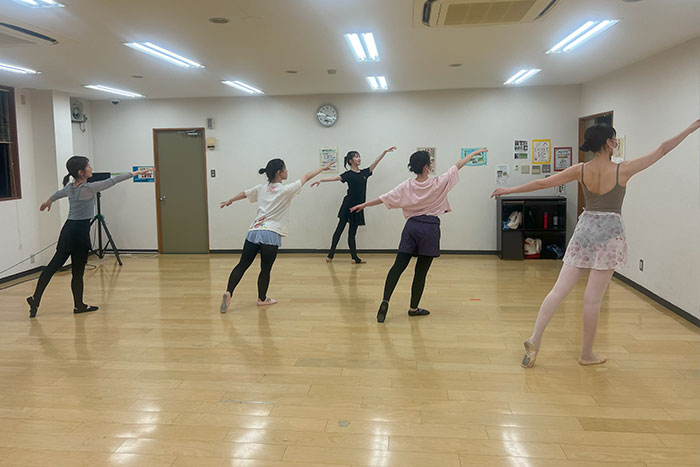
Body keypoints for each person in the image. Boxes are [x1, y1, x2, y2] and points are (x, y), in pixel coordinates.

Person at [492, 119, 700, 367]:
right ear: (609, 143)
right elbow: (662, 149)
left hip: (585, 230)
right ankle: (587, 354)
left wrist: (508, 190)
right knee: (592, 299)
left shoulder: (580, 169)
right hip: (610, 234)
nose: (616, 143)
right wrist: (690, 129)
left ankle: (535, 338)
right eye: (614, 139)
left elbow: (544, 183)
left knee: (558, 290)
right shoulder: (623, 169)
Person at [351, 148, 488, 323]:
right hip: (430, 229)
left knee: (397, 267)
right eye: (429, 163)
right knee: (420, 272)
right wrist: (475, 153)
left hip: (411, 227)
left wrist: (364, 204)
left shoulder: (407, 185)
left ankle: (385, 302)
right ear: (426, 167)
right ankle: (413, 308)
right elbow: (458, 165)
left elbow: (384, 198)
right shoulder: (438, 183)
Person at [26, 156, 150, 318]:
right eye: (88, 166)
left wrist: (48, 201)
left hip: (68, 230)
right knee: (77, 272)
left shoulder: (70, 188)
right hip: (80, 232)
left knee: (52, 267)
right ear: (81, 172)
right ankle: (78, 306)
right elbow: (114, 180)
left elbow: (57, 194)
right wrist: (136, 173)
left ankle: (35, 300)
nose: (91, 168)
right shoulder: (89, 188)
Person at [219, 159, 332, 313]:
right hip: (270, 233)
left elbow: (245, 194)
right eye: (285, 169)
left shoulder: (260, 188)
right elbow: (306, 177)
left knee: (242, 265)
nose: (287, 171)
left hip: (254, 231)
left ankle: (229, 291)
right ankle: (262, 299)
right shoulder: (285, 190)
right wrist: (322, 168)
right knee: (265, 269)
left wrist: (230, 200)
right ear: (279, 172)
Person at [312, 146, 396, 263]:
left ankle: (354, 258)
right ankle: (330, 255)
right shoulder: (348, 174)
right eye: (356, 157)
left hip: (359, 207)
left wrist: (384, 152)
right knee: (339, 229)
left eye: (359, 156)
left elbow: (376, 162)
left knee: (352, 233)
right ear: (351, 161)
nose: (359, 158)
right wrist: (321, 180)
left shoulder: (365, 173)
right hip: (347, 205)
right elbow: (335, 178)